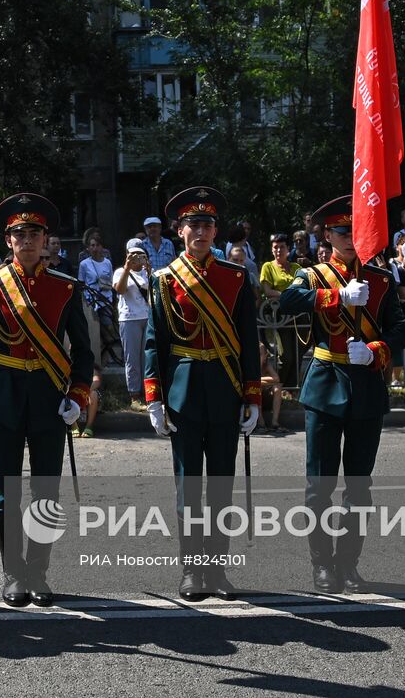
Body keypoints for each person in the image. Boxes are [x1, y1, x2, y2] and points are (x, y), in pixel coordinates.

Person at [0, 193, 91, 608]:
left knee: (46, 491)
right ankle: (13, 571)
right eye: (20, 233)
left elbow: (84, 351)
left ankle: (38, 570)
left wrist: (77, 393)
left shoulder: (66, 287)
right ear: (8, 240)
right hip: (4, 394)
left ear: (46, 239)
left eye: (35, 233)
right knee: (7, 492)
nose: (28, 240)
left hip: (50, 397)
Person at [279, 196, 405, 594]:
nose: (349, 238)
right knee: (319, 484)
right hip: (325, 380)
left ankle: (348, 563)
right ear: (327, 236)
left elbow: (400, 329)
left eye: (355, 231)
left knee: (358, 484)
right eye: (341, 231)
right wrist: (336, 297)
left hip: (366, 384)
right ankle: (322, 564)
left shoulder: (381, 279)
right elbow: (287, 301)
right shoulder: (313, 275)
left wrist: (376, 351)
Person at [143, 186, 260, 602]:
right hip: (184, 392)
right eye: (194, 224)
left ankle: (218, 570)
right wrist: (154, 397)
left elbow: (248, 338)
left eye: (208, 224)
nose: (201, 231)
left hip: (226, 390)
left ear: (216, 231)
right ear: (179, 231)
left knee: (222, 488)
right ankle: (192, 570)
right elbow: (155, 342)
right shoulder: (163, 280)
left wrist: (252, 395)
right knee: (189, 488)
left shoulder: (235, 276)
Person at [76, 231, 114, 438]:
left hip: (105, 300)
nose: (94, 248)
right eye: (91, 245)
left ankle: (104, 362)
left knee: (107, 334)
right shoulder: (84, 265)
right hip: (91, 301)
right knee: (93, 334)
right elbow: (81, 285)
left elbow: (109, 283)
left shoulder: (107, 262)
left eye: (97, 245)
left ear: (101, 247)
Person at [259, 233, 300, 420]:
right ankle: (283, 387)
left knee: (299, 350)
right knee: (286, 354)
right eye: (275, 247)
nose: (278, 250)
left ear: (288, 249)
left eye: (281, 247)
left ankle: (291, 387)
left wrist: (288, 295)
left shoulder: (296, 268)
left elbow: (302, 289)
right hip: (276, 317)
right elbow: (267, 291)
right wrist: (287, 296)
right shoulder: (268, 267)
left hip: (298, 317)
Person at [112, 240, 151, 409]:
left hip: (147, 317)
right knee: (132, 359)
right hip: (129, 319)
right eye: (132, 256)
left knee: (148, 358)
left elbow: (154, 293)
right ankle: (135, 395)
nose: (136, 259)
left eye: (139, 256)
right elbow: (120, 290)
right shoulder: (120, 271)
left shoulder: (148, 272)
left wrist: (149, 272)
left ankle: (150, 393)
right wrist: (127, 269)